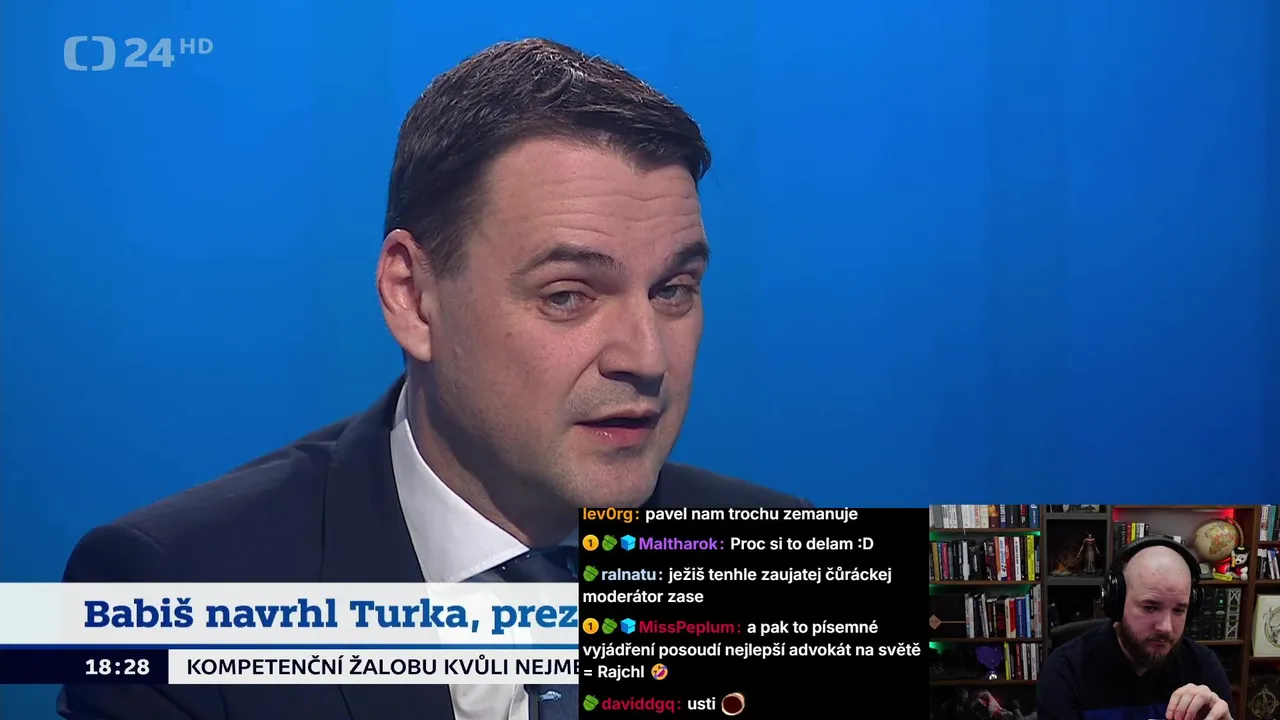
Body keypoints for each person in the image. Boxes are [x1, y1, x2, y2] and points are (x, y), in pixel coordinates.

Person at [57, 38, 811, 720]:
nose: (646, 357)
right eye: (567, 296)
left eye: (673, 290)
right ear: (414, 298)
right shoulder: (172, 594)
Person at [1037, 537, 1234, 720]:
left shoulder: (1203, 667)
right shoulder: (1066, 671)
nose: (1166, 628)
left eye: (1178, 610)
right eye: (1150, 608)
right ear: (1116, 602)